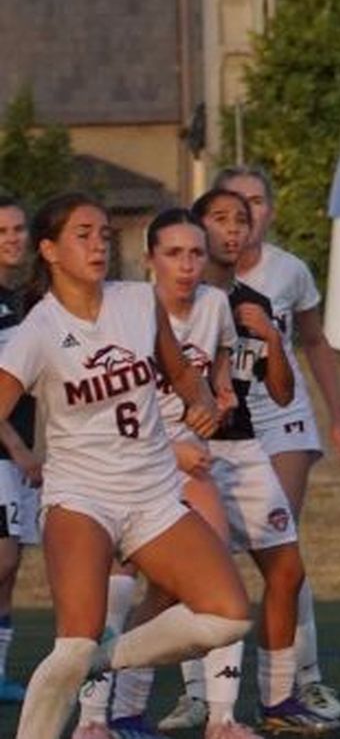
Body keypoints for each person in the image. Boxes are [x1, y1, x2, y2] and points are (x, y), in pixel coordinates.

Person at [2, 192, 251, 739]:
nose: (99, 245)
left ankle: (104, 660)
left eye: (105, 235)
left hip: (154, 493)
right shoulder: (38, 330)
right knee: (74, 643)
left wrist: (202, 402)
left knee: (228, 615)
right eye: (83, 235)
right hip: (81, 496)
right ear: (49, 250)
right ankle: (82, 665)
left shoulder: (139, 300)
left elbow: (181, 374)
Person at [154, 167, 340, 728]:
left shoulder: (255, 301)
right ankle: (130, 704)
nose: (232, 230)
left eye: (241, 220)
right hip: (185, 455)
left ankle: (277, 701)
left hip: (243, 450)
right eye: (220, 219)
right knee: (173, 587)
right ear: (197, 229)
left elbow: (282, 390)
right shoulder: (168, 304)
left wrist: (268, 335)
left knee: (286, 569)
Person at [0, 197, 37, 704]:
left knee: (10, 569)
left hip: (19, 456)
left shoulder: (21, 299)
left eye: (19, 228)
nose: (13, 238)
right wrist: (16, 447)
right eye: (3, 230)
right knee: (2, 559)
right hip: (3, 455)